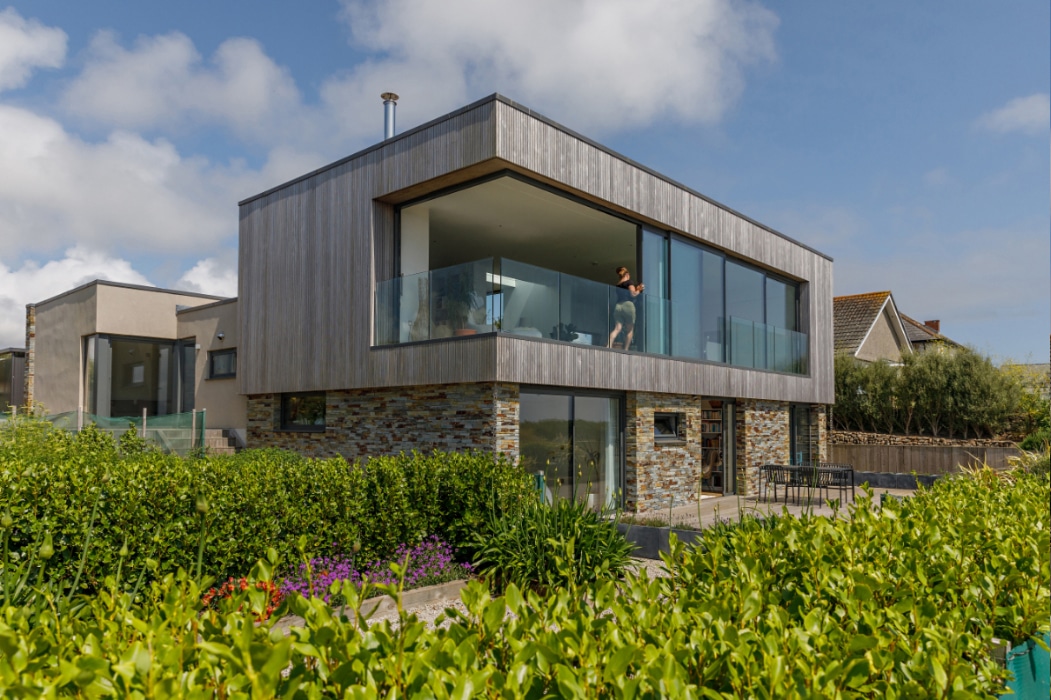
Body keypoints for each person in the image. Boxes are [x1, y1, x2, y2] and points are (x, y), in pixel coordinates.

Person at [608, 266, 644, 349]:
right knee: (630, 330)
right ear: (627, 274)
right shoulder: (629, 282)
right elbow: (633, 294)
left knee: (617, 328)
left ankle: (608, 346)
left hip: (618, 306)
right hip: (628, 305)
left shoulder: (618, 284)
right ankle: (626, 349)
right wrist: (639, 289)